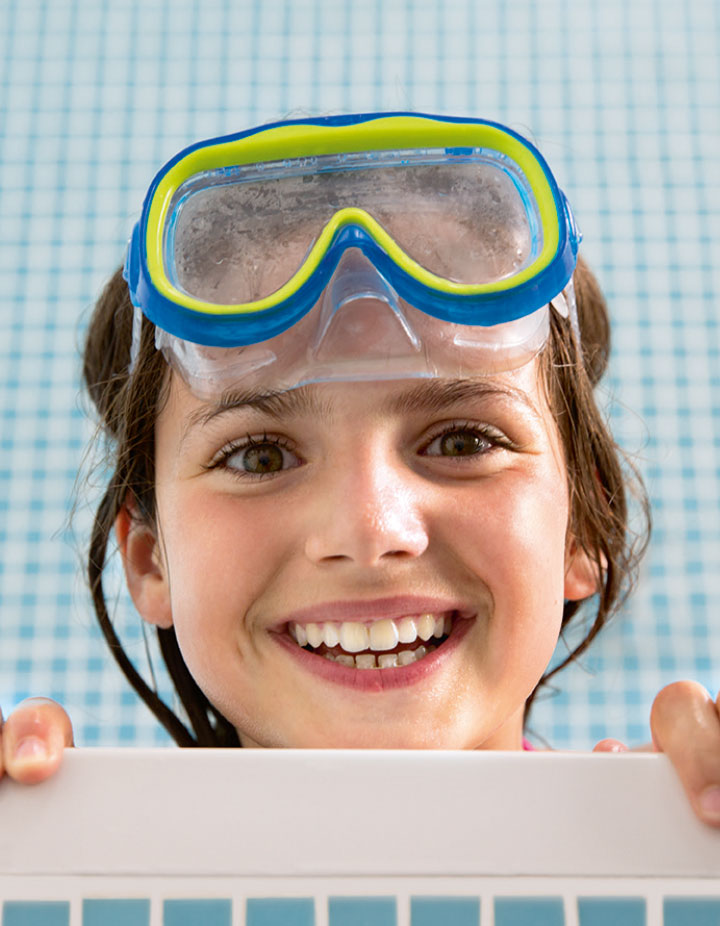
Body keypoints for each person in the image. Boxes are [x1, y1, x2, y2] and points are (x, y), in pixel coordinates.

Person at [1, 112, 719, 826]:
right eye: (261, 457)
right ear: (150, 560)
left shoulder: (669, 852)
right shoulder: (77, 874)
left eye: (463, 443)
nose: (370, 530)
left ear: (581, 530)